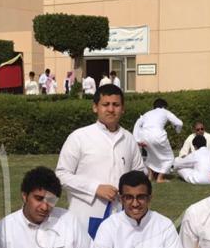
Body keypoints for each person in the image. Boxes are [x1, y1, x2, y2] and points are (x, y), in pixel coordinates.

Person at [56, 83, 144, 231]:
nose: (111, 109)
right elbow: (61, 175)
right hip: (86, 217)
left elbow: (140, 173)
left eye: (116, 105)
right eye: (105, 104)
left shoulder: (128, 139)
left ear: (123, 109)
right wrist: (95, 188)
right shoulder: (79, 137)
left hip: (122, 216)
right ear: (95, 107)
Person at [133, 98, 183, 183]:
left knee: (151, 155)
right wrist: (178, 131)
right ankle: (160, 178)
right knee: (169, 158)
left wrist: (137, 139)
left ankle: (150, 176)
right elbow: (179, 123)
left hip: (144, 136)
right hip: (158, 136)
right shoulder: (165, 111)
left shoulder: (147, 113)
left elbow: (137, 124)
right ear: (164, 106)